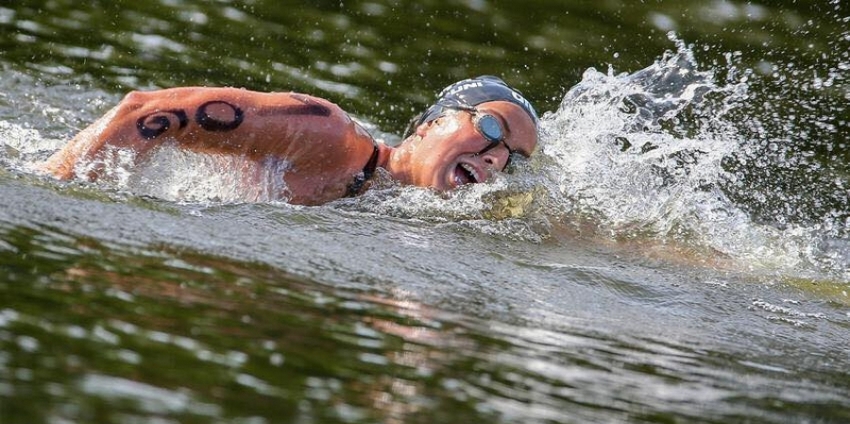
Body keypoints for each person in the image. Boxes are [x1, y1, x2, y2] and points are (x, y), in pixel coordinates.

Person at [41, 76, 539, 205]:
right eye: (492, 127)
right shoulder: (325, 134)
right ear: (430, 124)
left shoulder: (400, 205)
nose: (495, 157)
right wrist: (63, 192)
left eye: (511, 158)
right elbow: (144, 110)